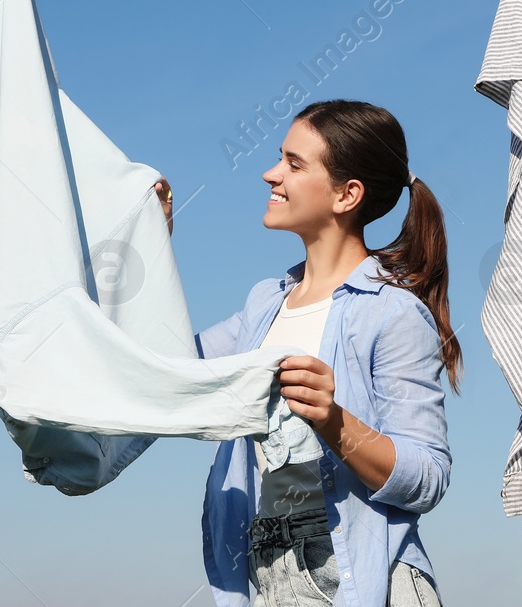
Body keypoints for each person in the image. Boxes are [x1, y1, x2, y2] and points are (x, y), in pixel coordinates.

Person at [159, 99, 458, 607]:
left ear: (347, 194)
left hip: (363, 578)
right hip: (271, 575)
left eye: (294, 164)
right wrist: (153, 243)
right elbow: (168, 372)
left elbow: (427, 478)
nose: (270, 173)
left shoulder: (393, 314)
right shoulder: (263, 304)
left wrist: (333, 419)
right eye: (281, 158)